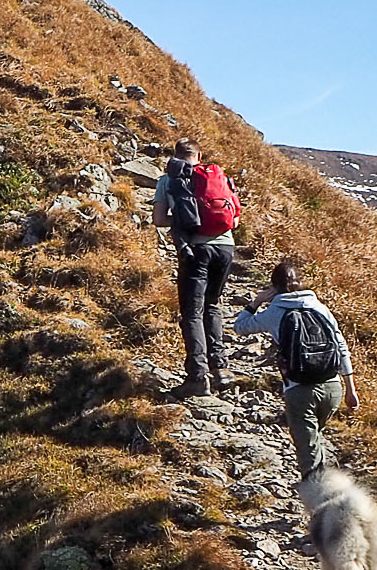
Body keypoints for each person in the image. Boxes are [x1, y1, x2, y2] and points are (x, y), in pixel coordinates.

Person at [234, 258, 360, 478]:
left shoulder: (274, 312)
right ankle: (326, 489)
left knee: (307, 451)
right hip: (332, 387)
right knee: (314, 438)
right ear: (301, 282)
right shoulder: (319, 307)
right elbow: (341, 346)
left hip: (299, 390)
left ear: (274, 287)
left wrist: (255, 302)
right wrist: (351, 389)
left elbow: (240, 327)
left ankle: (318, 500)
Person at [151, 138, 239, 394]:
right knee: (212, 305)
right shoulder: (217, 176)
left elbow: (158, 219)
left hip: (195, 250)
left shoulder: (169, 180)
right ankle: (220, 369)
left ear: (176, 156)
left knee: (192, 312)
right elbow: (233, 217)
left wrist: (181, 220)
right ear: (199, 156)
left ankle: (197, 378)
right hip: (225, 248)